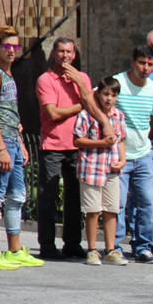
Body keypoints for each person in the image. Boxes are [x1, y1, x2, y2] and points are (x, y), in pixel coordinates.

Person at [36, 37, 113, 260]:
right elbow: (54, 113)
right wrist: (82, 104)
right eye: (61, 51)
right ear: (54, 53)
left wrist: (80, 84)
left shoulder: (84, 78)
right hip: (52, 145)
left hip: (78, 145)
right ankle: (47, 245)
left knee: (74, 198)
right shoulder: (45, 80)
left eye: (69, 52)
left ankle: (72, 243)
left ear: (75, 54)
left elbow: (94, 106)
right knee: (48, 197)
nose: (65, 56)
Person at [0, 25, 43, 270]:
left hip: (13, 140)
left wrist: (20, 144)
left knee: (17, 194)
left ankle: (14, 249)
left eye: (16, 46)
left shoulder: (9, 73)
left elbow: (11, 114)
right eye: (8, 46)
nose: (13, 51)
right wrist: (2, 147)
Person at [73, 77, 127, 266]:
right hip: (91, 168)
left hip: (111, 169)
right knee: (93, 211)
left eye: (113, 95)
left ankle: (111, 249)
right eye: (105, 94)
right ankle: (92, 249)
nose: (109, 99)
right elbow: (78, 141)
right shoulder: (86, 115)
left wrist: (122, 160)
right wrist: (100, 143)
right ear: (98, 94)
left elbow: (120, 140)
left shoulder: (118, 115)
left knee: (112, 210)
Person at [113, 46, 153, 263]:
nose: (146, 68)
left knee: (147, 201)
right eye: (142, 63)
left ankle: (143, 246)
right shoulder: (118, 83)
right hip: (119, 154)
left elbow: (150, 121)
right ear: (133, 62)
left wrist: (145, 142)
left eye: (150, 64)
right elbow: (97, 102)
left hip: (143, 153)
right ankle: (115, 246)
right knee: (118, 203)